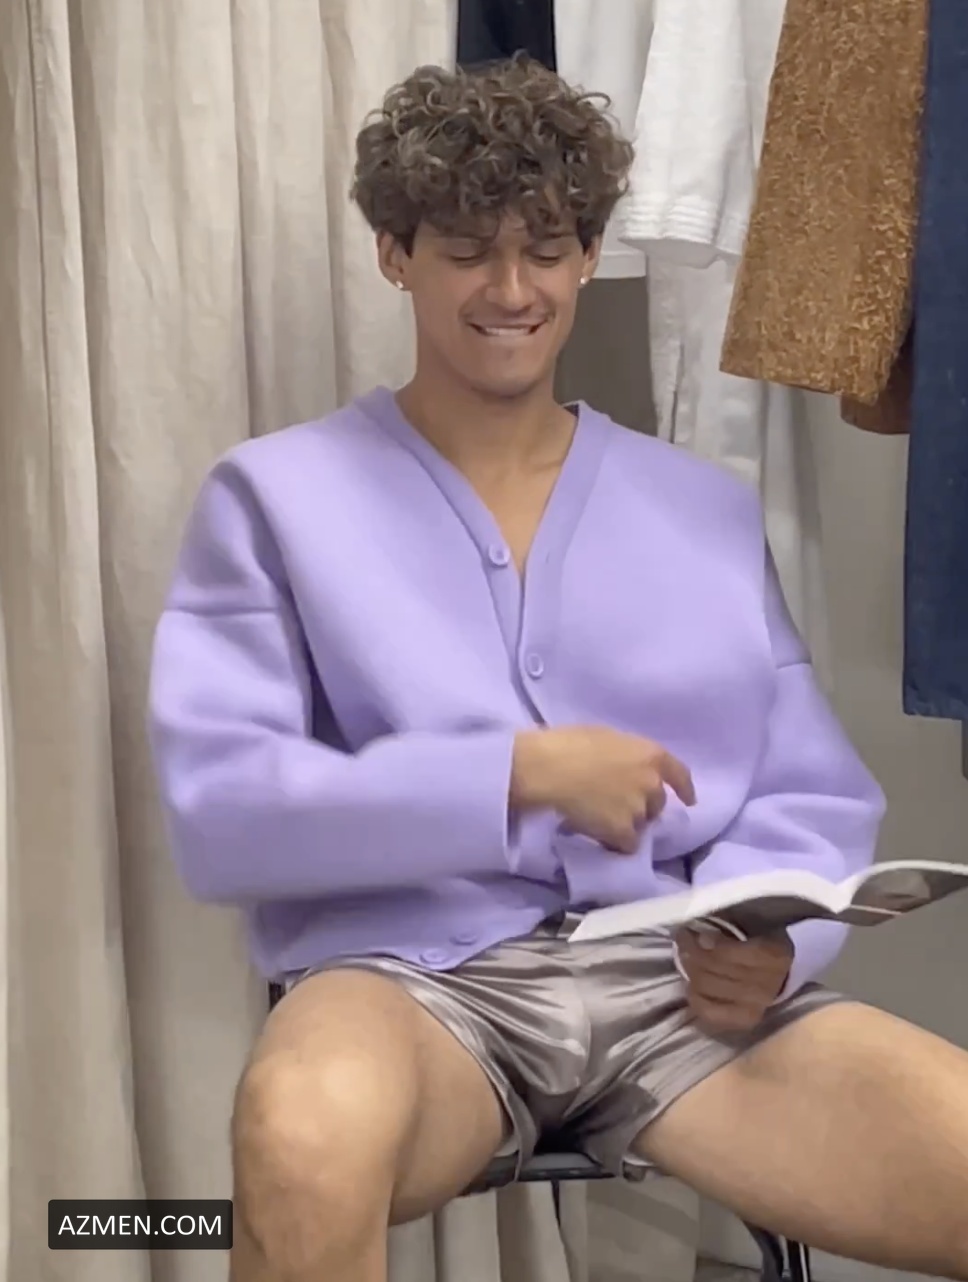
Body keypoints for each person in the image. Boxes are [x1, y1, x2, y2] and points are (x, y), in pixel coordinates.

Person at [147, 55, 968, 1282]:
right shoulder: (273, 497)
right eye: (466, 250)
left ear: (588, 256)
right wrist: (511, 776)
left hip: (677, 999)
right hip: (409, 986)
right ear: (393, 254)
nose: (510, 289)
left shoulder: (698, 511)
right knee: (299, 1134)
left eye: (545, 248)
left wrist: (769, 937)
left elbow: (805, 790)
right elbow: (224, 811)